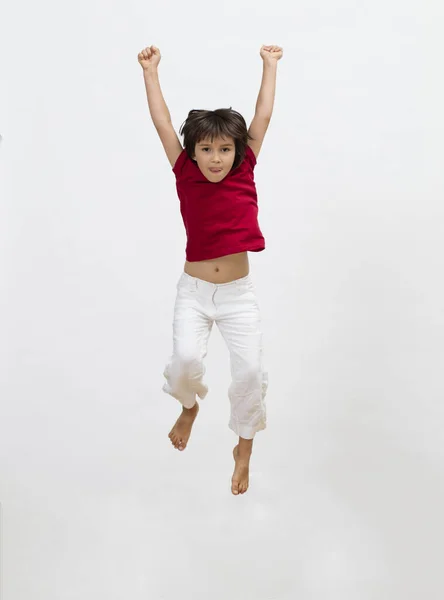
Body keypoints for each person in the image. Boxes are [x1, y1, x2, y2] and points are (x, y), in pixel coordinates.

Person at [138, 44, 283, 495]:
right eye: (207, 149)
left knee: (249, 375)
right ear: (193, 152)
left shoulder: (245, 168)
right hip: (195, 293)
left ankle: (243, 449)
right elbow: (163, 123)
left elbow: (263, 116)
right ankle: (188, 406)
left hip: (238, 295)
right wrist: (151, 72)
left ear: (237, 150)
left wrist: (269, 65)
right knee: (184, 363)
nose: (216, 158)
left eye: (224, 149)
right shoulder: (184, 171)